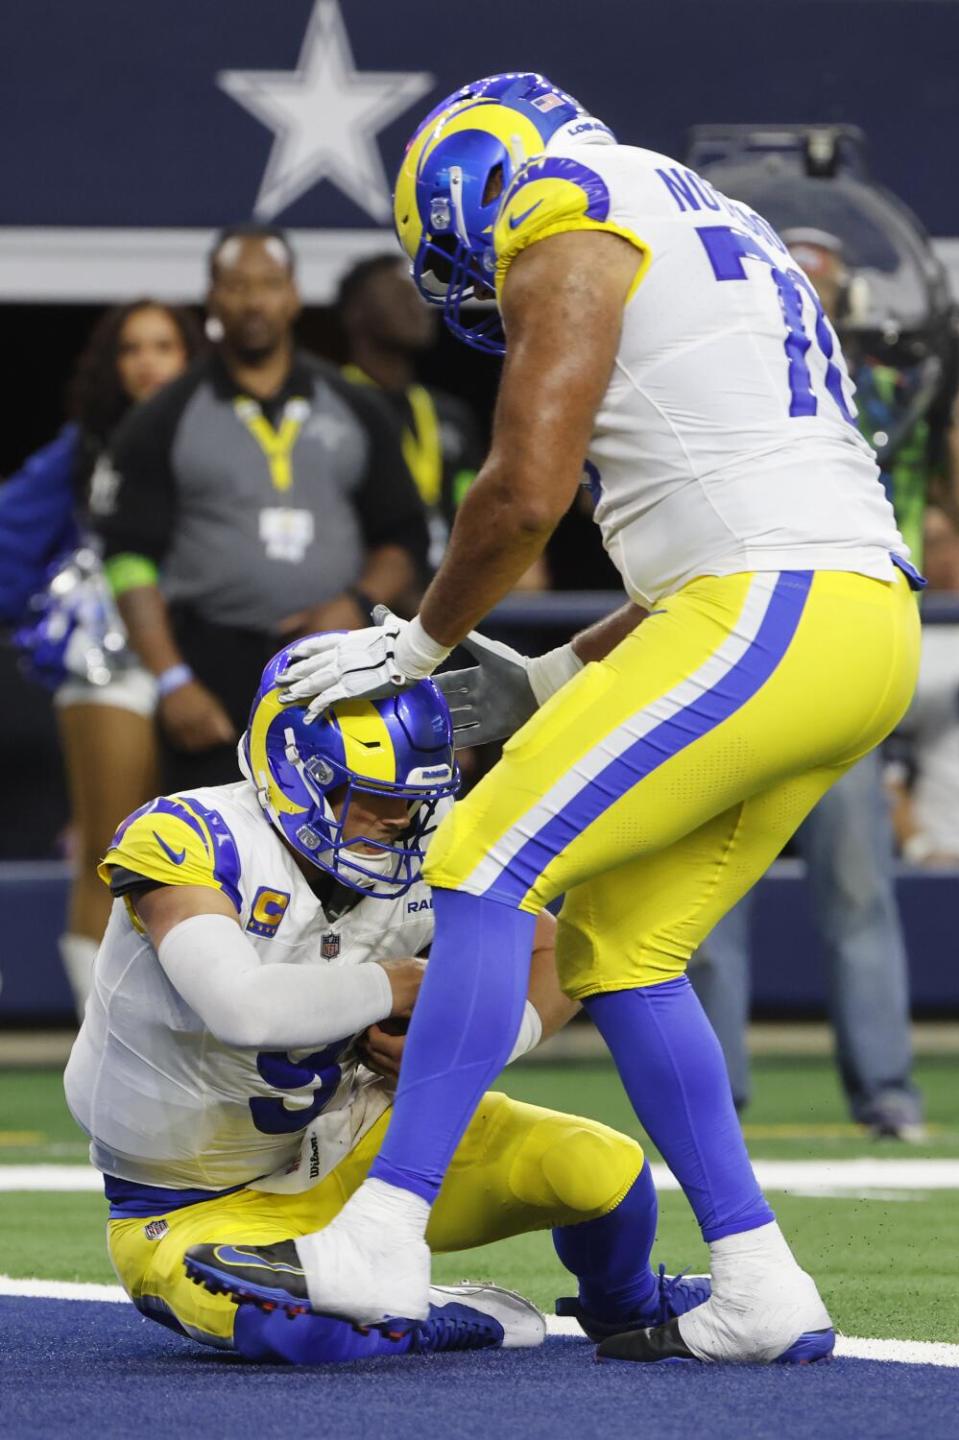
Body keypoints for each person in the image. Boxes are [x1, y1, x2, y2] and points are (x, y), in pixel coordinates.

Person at [199, 72, 921, 1366]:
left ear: (479, 186)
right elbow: (719, 516)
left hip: (766, 607)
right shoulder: (720, 224)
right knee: (623, 950)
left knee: (484, 858)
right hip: (851, 621)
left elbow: (525, 487)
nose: (485, 294)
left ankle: (382, 1233)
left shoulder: (568, 204)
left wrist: (413, 638)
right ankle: (763, 1279)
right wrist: (546, 675)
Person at [62, 649, 708, 1364]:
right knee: (312, 1336)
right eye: (374, 795)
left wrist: (478, 1045)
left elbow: (556, 953)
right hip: (188, 1206)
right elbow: (240, 1009)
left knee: (603, 1171)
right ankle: (449, 1313)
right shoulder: (188, 838)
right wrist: (400, 984)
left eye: (414, 800)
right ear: (297, 770)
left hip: (362, 1144)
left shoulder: (421, 839)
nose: (400, 820)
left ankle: (630, 1311)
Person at [690, 229, 926, 1136]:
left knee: (858, 886)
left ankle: (888, 1091)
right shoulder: (718, 379)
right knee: (707, 894)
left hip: (833, 649)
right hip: (736, 648)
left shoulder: (885, 392)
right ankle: (715, 1103)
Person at [91, 224, 430, 794]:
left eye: (269, 284)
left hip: (334, 665)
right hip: (211, 669)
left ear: (294, 294)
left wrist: (358, 600)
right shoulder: (163, 416)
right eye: (237, 286)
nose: (253, 301)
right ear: (213, 297)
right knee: (214, 857)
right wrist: (173, 681)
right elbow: (127, 559)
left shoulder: (356, 407)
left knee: (344, 849)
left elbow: (405, 538)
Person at [0, 301, 201, 1014]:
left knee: (203, 850)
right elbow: (10, 536)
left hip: (210, 651)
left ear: (189, 355)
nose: (148, 361)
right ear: (109, 367)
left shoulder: (222, 431)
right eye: (131, 349)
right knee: (110, 850)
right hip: (106, 654)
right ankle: (105, 1037)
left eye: (163, 344)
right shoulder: (81, 448)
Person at [337, 253, 484, 572]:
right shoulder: (334, 407)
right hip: (370, 594)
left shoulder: (451, 414)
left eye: (419, 293)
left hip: (453, 594)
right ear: (356, 313)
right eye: (399, 293)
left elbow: (479, 508)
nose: (418, 306)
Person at [887, 506, 959, 866]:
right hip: (944, 851)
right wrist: (921, 850)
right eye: (931, 543)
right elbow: (888, 771)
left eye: (951, 542)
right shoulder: (910, 641)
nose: (945, 555)